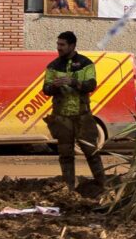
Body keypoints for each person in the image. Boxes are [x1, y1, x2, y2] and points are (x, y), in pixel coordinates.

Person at [41, 30, 108, 187]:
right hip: (61, 118)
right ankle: (69, 187)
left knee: (91, 152)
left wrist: (74, 82)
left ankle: (103, 184)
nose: (59, 48)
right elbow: (46, 89)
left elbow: (91, 85)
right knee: (65, 155)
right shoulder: (53, 66)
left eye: (62, 45)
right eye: (58, 44)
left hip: (82, 116)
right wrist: (54, 86)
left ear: (72, 45)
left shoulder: (86, 64)